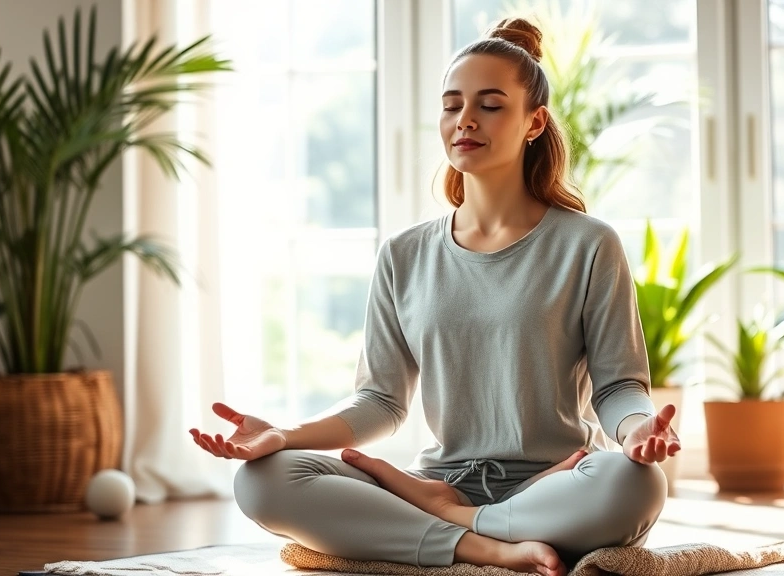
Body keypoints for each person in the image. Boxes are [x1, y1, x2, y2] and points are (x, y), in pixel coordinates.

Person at [191, 17, 680, 576]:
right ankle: (485, 543)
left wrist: (637, 427)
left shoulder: (589, 244)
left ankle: (455, 524)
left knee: (634, 484)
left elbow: (618, 386)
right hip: (436, 478)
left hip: (554, 480)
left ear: (534, 122)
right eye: (451, 105)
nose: (464, 120)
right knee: (264, 479)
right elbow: (380, 402)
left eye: (490, 105)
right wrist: (283, 434)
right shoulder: (403, 254)